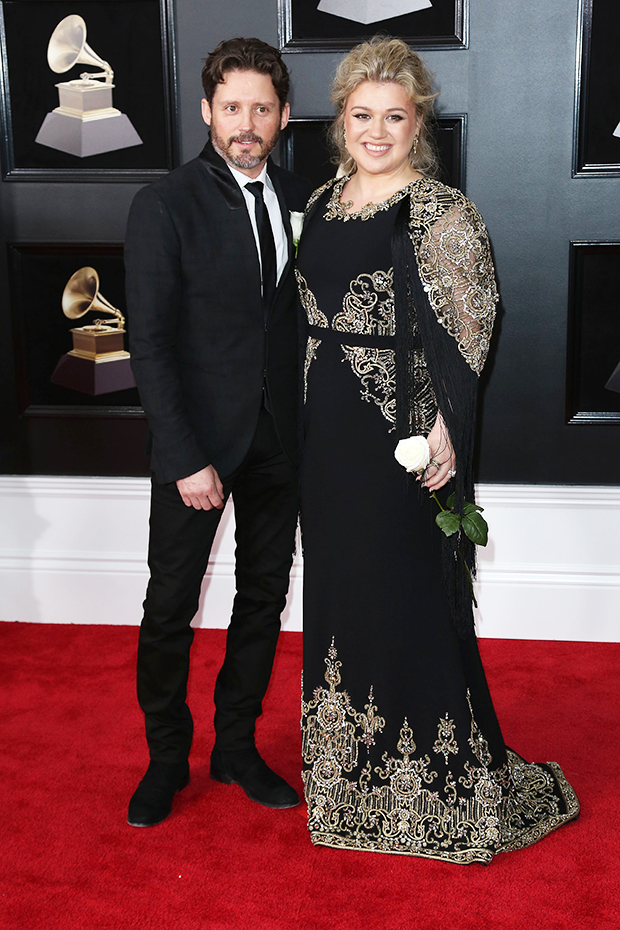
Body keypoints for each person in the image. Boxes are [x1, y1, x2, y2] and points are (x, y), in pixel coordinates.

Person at [296, 37, 579, 863]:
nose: (376, 131)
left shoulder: (441, 210)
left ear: (418, 122)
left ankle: (438, 777)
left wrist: (448, 428)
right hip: (327, 441)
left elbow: (473, 325)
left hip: (402, 440)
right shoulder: (320, 200)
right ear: (340, 119)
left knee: (408, 594)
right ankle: (352, 776)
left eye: (394, 116)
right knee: (343, 595)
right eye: (362, 115)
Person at [124, 37, 311, 827]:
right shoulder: (166, 203)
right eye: (231, 107)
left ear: (283, 116)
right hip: (199, 445)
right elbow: (151, 344)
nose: (246, 122)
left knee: (263, 598)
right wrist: (184, 455)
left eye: (260, 108)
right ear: (207, 112)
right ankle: (167, 758)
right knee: (170, 604)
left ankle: (235, 746)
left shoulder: (303, 196)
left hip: (281, 441)